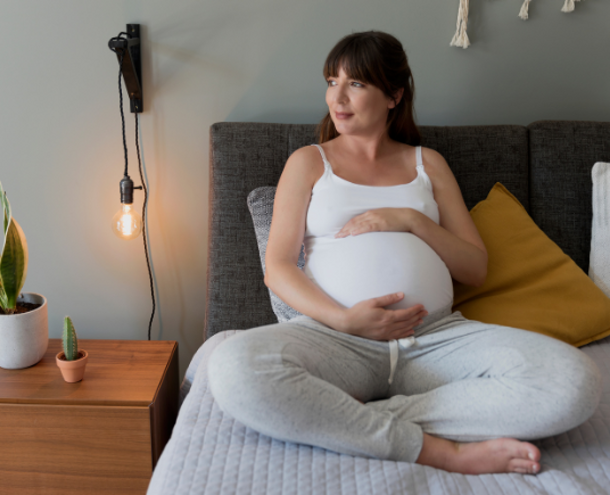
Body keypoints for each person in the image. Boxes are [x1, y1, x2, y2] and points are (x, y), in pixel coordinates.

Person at [208, 31, 601, 475]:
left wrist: (412, 221)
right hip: (336, 338)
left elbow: (475, 268)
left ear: (394, 95)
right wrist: (344, 319)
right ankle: (437, 450)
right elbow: (278, 268)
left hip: (437, 339)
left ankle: (347, 417)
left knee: (575, 381)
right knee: (231, 368)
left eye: (355, 83)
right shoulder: (309, 161)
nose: (337, 96)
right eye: (331, 81)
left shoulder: (427, 164)